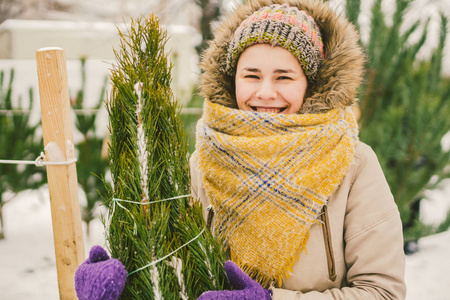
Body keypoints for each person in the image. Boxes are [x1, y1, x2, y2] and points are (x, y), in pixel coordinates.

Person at [191, 0, 406, 299]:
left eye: (284, 77)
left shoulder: (353, 163)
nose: (265, 93)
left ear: (311, 83)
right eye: (251, 75)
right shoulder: (204, 159)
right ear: (232, 79)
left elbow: (382, 292)